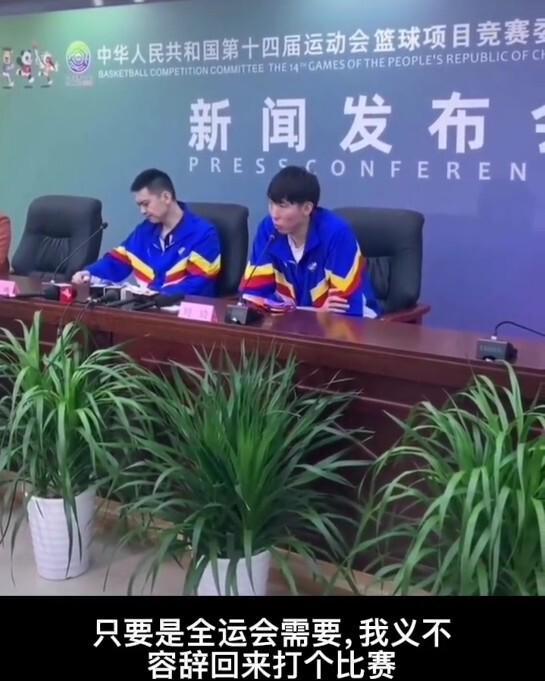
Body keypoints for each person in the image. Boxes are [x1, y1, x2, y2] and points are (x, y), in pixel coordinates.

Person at [240, 166, 381, 317]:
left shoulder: (337, 234)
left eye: (282, 206)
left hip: (359, 322)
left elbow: (345, 307)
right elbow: (254, 294)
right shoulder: (269, 229)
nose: (274, 214)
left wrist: (314, 315)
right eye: (271, 204)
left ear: (307, 208)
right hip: (294, 322)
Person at [72, 169, 221, 297]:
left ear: (166, 197)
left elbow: (200, 283)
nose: (142, 211)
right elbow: (117, 262)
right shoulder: (144, 231)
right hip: (147, 310)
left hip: (182, 314)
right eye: (139, 205)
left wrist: (158, 295)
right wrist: (89, 274)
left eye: (146, 204)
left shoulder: (203, 234)